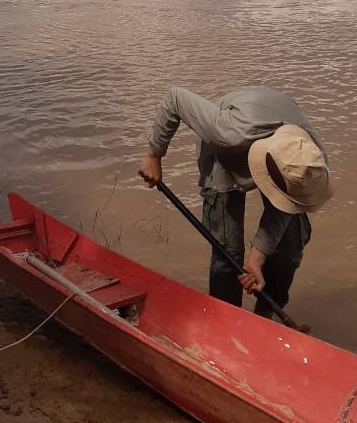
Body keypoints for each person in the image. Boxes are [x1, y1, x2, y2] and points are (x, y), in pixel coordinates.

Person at [138, 86, 332, 314]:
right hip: (224, 155)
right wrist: (154, 154)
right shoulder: (228, 132)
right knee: (228, 251)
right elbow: (175, 98)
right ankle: (225, 316)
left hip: (277, 148)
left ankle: (265, 316)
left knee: (289, 248)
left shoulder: (310, 162)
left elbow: (286, 205)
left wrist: (256, 259)